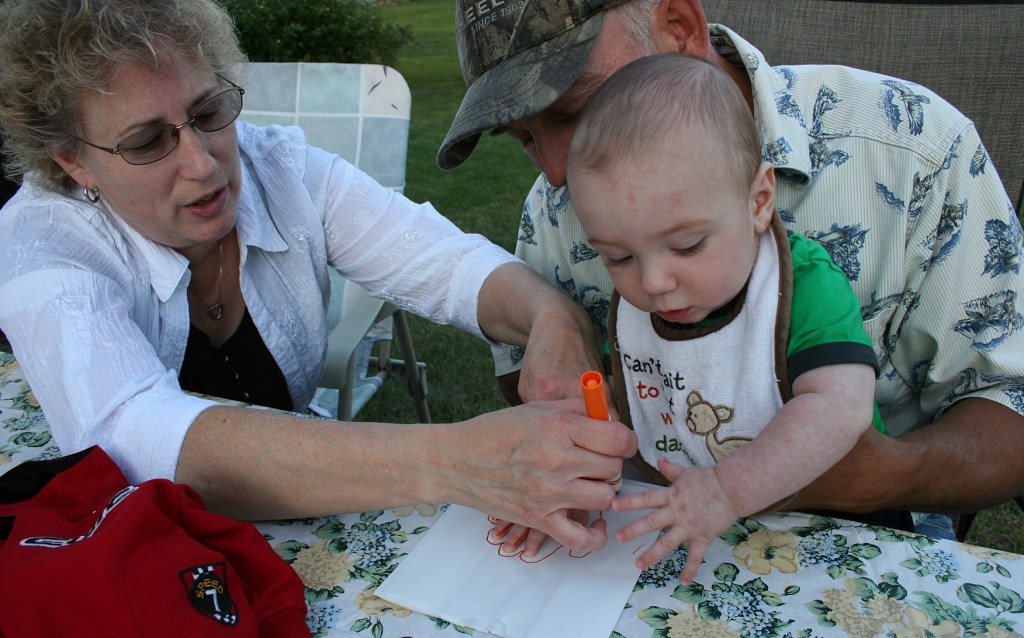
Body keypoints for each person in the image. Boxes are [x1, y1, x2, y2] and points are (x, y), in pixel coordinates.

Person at [0, 0, 637, 551]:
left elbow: (448, 264)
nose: (202, 163)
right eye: (147, 143)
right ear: (71, 160)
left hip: (302, 530)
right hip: (140, 560)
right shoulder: (42, 248)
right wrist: (457, 461)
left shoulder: (282, 170)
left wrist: (552, 317)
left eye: (210, 110)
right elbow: (134, 436)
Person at [438, 0, 1024, 538]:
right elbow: (533, 387)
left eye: (576, 107)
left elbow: (1010, 402)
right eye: (523, 138)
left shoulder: (913, 148)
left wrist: (882, 476)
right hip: (653, 532)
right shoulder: (554, 207)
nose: (558, 171)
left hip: (851, 535)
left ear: (679, 28)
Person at [566, 53, 881, 583]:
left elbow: (841, 407)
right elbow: (628, 396)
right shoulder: (644, 301)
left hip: (838, 532)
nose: (653, 283)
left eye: (688, 246)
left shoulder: (800, 284)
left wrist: (724, 489)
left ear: (759, 201)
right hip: (693, 532)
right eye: (618, 257)